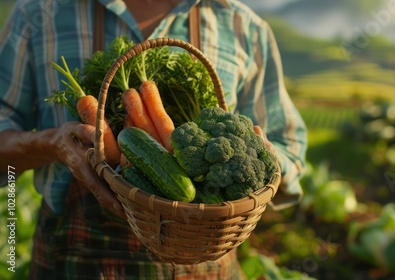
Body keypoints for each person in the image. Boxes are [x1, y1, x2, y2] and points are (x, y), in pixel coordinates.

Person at [0, 0, 307, 279]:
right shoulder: (38, 15)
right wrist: (50, 144)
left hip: (206, 265)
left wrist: (260, 161)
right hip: (72, 261)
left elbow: (289, 148)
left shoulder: (244, 27)